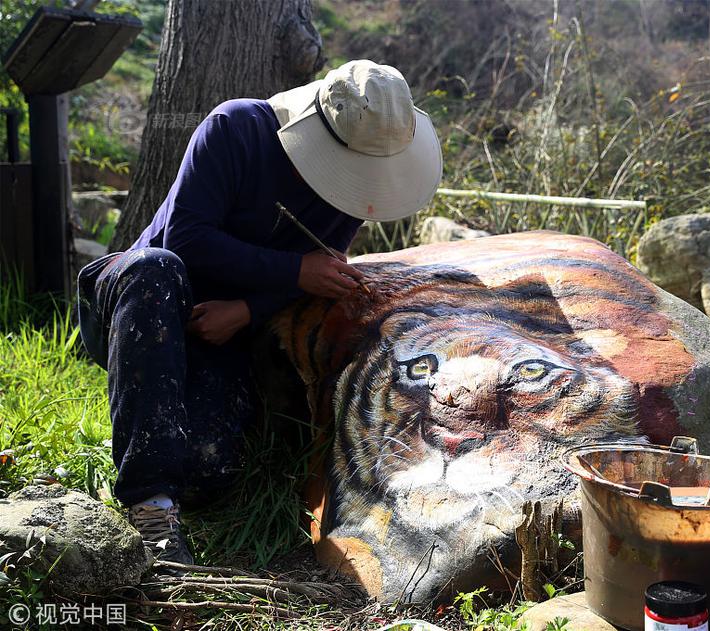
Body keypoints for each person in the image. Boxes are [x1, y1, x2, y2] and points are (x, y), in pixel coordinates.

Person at [76, 60, 442, 564]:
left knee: (206, 472)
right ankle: (149, 506)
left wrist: (248, 310)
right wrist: (292, 272)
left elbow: (323, 272)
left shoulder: (356, 186)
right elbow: (186, 239)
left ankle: (167, 471)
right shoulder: (235, 129)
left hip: (224, 332)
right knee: (155, 268)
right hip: (142, 305)